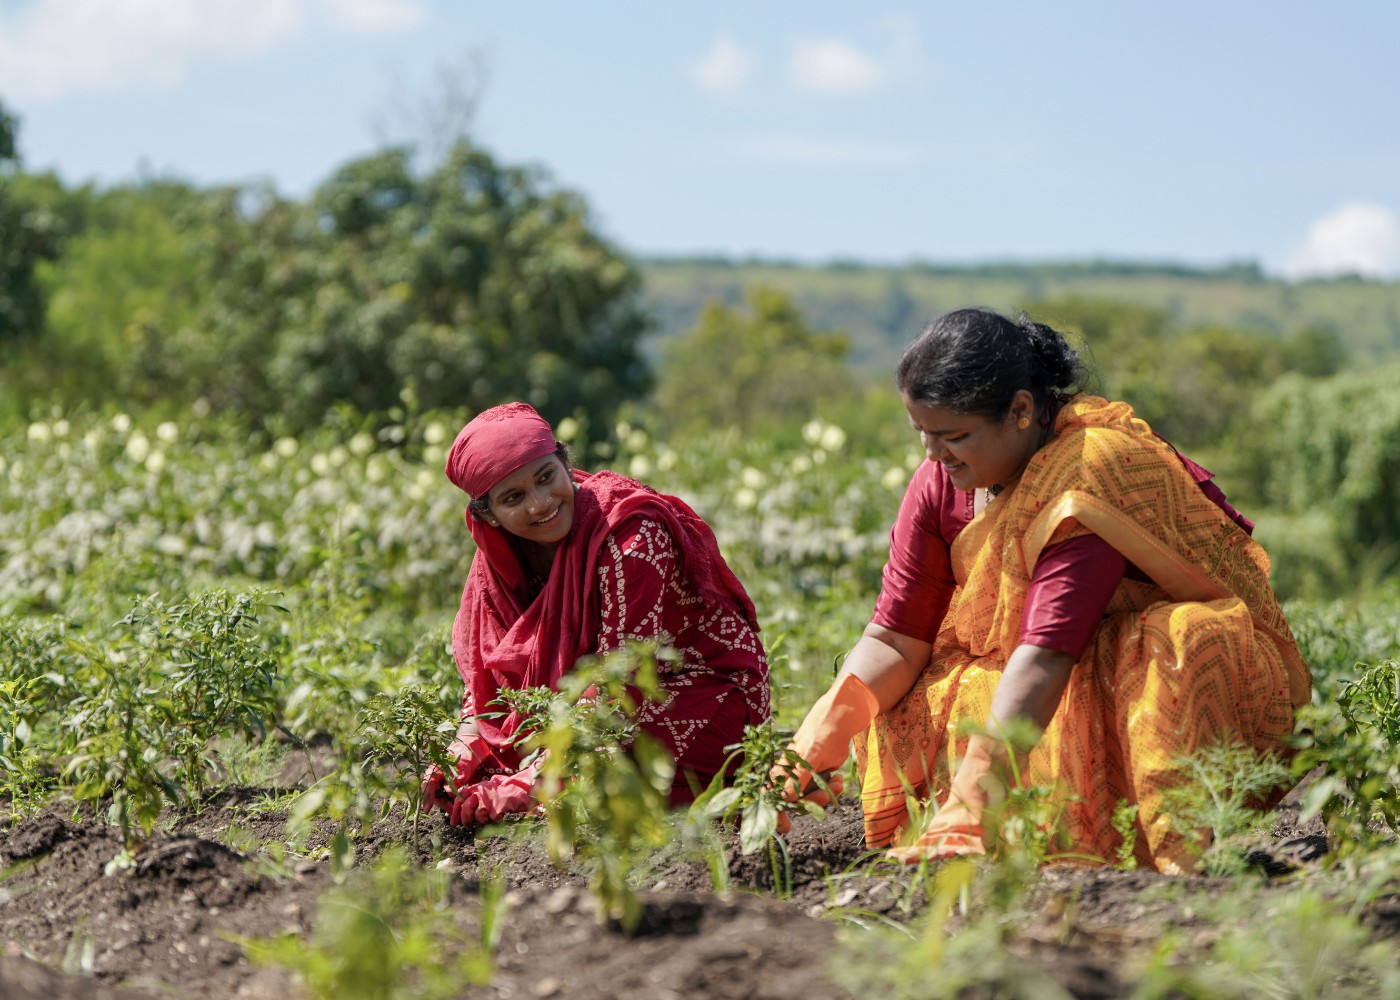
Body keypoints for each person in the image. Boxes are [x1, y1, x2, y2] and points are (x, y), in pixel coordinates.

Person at [782, 309, 1310, 873]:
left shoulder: (1088, 473)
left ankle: (1165, 857)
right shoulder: (940, 482)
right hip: (1038, 673)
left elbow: (1049, 650)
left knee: (1179, 638)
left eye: (955, 436)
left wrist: (973, 800)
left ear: (1021, 411)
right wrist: (818, 738)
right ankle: (982, 843)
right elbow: (895, 637)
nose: (934, 456)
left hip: (1133, 673)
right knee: (915, 695)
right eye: (923, 435)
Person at [423, 401, 771, 827]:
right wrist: (463, 750)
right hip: (585, 709)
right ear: (488, 514)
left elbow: (620, 686)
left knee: (586, 799)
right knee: (484, 781)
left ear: (566, 465)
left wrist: (528, 783)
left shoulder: (630, 538)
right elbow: (487, 685)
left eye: (546, 477)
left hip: (693, 691)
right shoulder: (495, 565)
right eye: (513, 498)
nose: (540, 504)